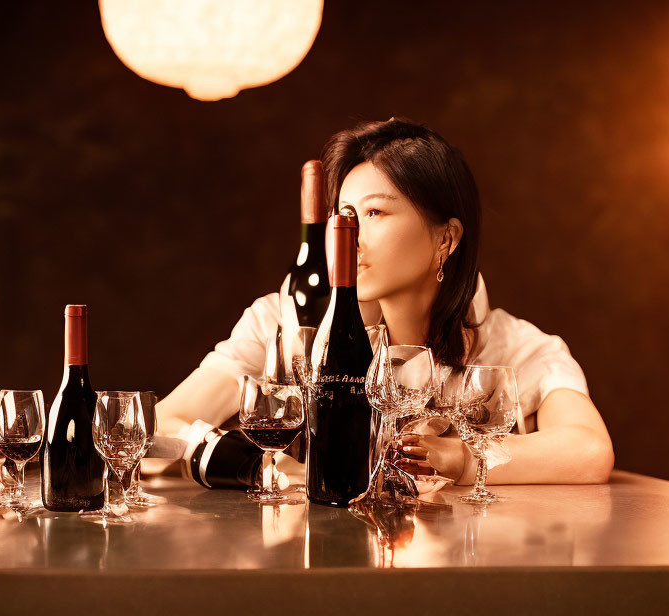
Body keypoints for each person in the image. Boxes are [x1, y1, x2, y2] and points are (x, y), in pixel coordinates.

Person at [157, 117, 614, 485]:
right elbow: (160, 427)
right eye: (346, 215)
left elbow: (588, 450)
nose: (349, 235)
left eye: (375, 212)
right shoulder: (285, 321)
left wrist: (459, 458)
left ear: (446, 238)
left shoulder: (511, 346)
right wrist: (265, 468)